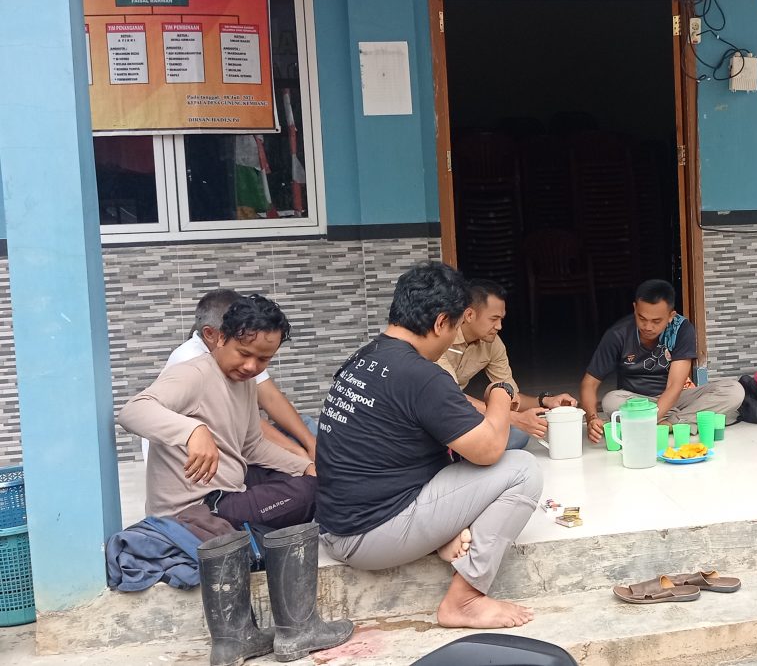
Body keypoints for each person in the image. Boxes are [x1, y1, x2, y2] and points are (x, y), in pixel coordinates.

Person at [315, 262, 541, 629]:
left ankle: (441, 538)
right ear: (441, 323)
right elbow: (488, 449)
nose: (452, 338)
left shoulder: (365, 357)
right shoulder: (420, 375)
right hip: (368, 534)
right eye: (454, 327)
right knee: (522, 470)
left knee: (453, 452)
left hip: (337, 522)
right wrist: (500, 392)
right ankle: (465, 599)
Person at [118, 294, 317, 527]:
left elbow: (252, 446)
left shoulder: (245, 382)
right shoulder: (194, 374)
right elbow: (132, 411)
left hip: (228, 489)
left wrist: (304, 466)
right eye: (244, 354)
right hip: (196, 511)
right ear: (221, 338)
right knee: (310, 492)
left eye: (263, 359)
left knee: (310, 478)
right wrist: (193, 431)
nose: (251, 366)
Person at [580, 279, 744, 443]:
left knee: (734, 391)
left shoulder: (681, 329)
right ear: (635, 308)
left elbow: (674, 386)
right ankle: (689, 418)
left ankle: (668, 422)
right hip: (638, 402)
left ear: (671, 316)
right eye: (642, 318)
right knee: (611, 401)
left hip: (677, 397)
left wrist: (649, 419)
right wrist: (592, 418)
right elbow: (589, 383)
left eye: (656, 321)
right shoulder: (618, 335)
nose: (647, 327)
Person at [165, 289, 316, 460]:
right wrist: (298, 454)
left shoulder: (244, 356)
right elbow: (245, 426)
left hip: (238, 441)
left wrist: (311, 444)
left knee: (307, 425)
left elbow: (271, 398)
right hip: (199, 458)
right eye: (244, 352)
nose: (251, 366)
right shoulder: (191, 361)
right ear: (213, 334)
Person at [436, 279, 578, 451]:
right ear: (469, 315)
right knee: (509, 429)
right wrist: (512, 418)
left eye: (501, 319)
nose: (499, 326)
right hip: (434, 410)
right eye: (493, 319)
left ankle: (461, 452)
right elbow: (449, 398)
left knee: (518, 435)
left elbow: (511, 396)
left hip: (460, 412)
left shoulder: (493, 343)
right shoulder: (440, 337)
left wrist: (546, 401)